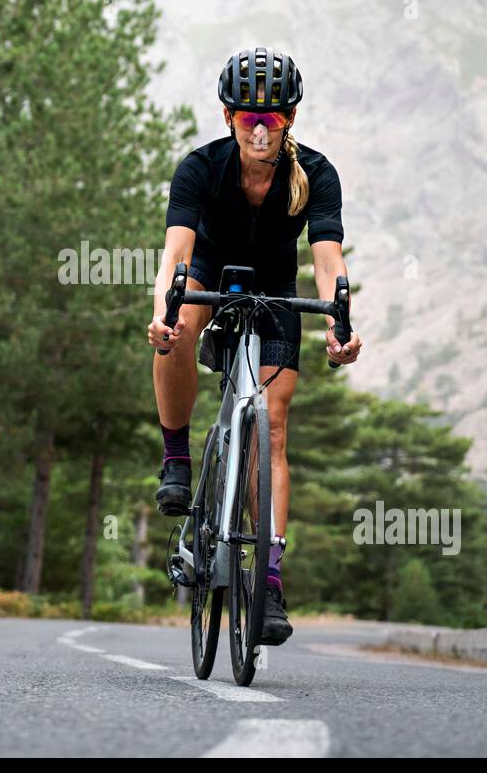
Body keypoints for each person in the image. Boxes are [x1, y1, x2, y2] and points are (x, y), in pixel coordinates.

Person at [146, 46, 362, 645]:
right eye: (248, 118)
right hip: (209, 273)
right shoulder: (199, 168)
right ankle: (177, 459)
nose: (260, 129)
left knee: (274, 425)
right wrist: (163, 311)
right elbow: (177, 255)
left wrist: (339, 327)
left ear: (290, 119)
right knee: (180, 327)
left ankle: (267, 581)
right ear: (227, 118)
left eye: (272, 118)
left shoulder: (316, 174)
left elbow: (327, 261)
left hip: (274, 289)